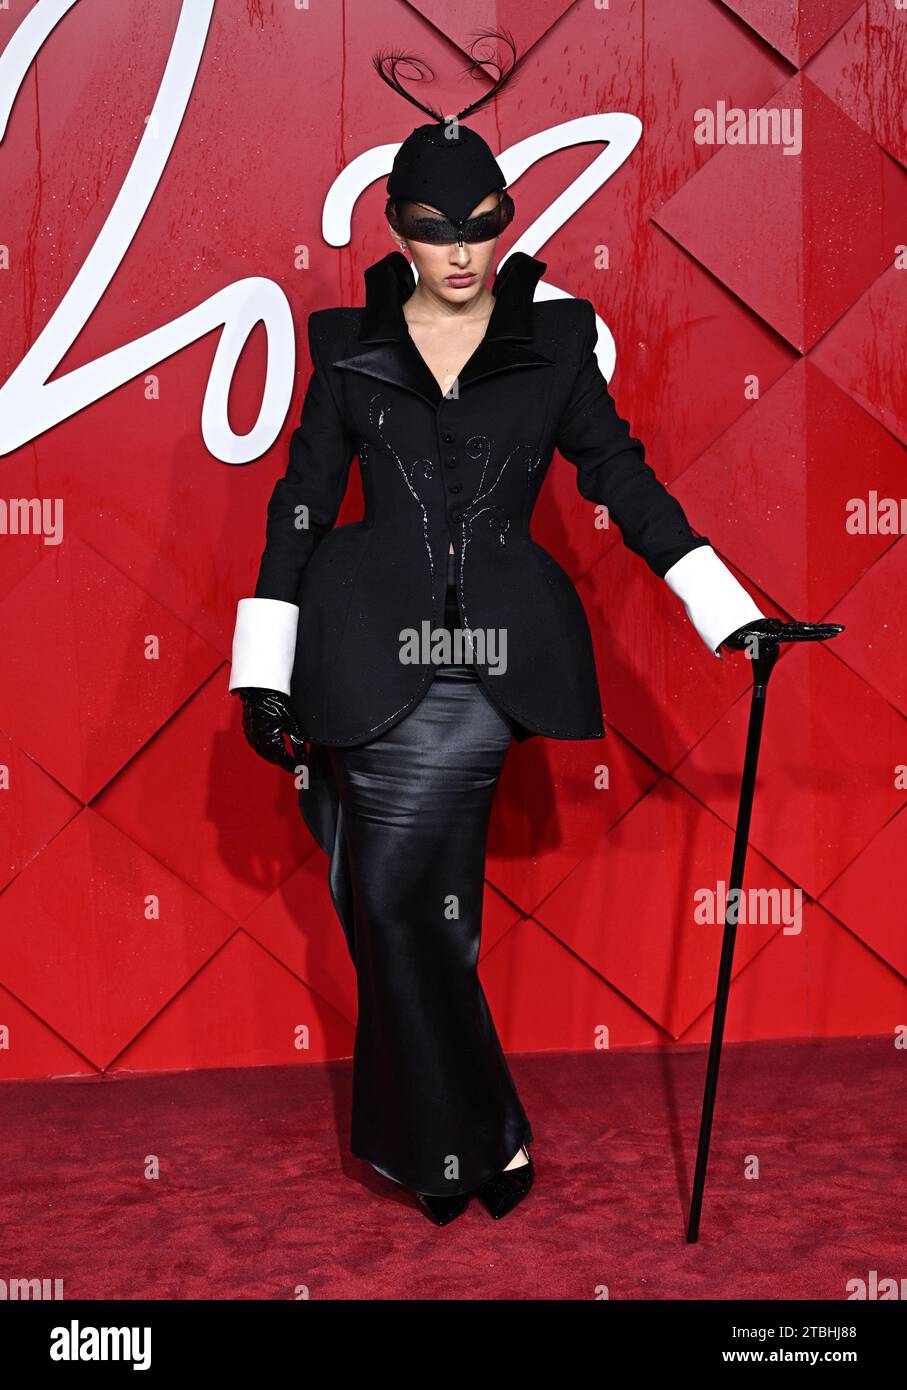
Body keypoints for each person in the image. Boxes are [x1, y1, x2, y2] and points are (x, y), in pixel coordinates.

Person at [227, 33, 823, 1227]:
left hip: (481, 668)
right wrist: (264, 671)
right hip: (356, 654)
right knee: (400, 906)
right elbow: (298, 504)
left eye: (480, 227)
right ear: (396, 232)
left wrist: (730, 612)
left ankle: (469, 1137)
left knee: (397, 902)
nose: (460, 252)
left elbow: (624, 481)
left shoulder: (555, 345)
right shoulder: (344, 351)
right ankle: (469, 1139)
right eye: (436, 231)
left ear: (503, 225)